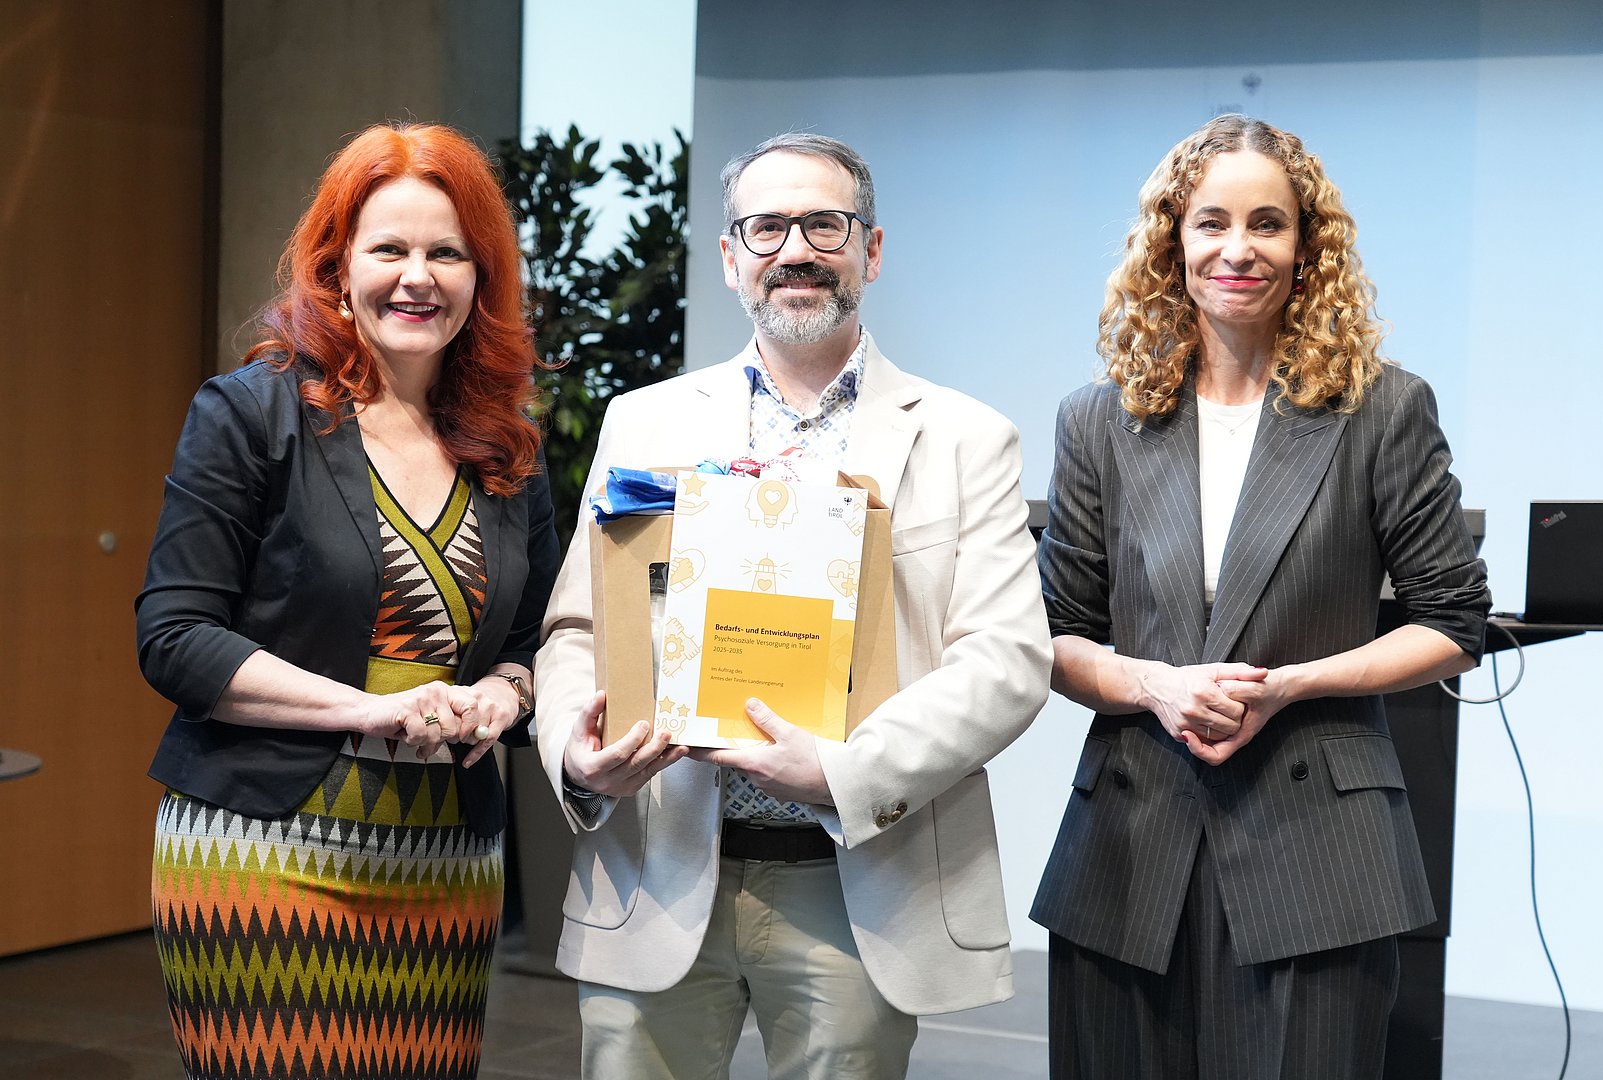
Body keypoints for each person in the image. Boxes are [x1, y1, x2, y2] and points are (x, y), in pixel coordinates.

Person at [533, 132, 1053, 1079]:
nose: (796, 250)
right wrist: (576, 749)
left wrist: (843, 773)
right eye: (767, 228)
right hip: (657, 868)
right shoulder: (643, 422)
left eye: (826, 225)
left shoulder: (967, 438)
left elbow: (1007, 661)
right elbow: (577, 629)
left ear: (872, 250)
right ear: (730, 255)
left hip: (857, 887)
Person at [1033, 114, 1491, 1079]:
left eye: (1267, 224)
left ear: (1306, 246)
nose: (1237, 249)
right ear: (1173, 242)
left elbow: (1453, 621)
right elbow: (1056, 639)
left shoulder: (1382, 409)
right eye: (1211, 223)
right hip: (1125, 858)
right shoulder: (1098, 419)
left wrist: (1288, 685)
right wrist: (1156, 685)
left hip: (1318, 852)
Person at [137, 123, 559, 1080]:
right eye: (390, 249)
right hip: (264, 856)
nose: (418, 278)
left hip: (447, 871)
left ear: (481, 276)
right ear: (337, 266)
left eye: (447, 253)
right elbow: (175, 637)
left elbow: (540, 638)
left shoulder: (509, 445)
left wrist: (506, 693)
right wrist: (367, 709)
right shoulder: (251, 413)